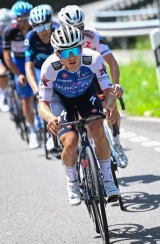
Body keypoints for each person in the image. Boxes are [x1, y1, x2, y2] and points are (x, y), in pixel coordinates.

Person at [38, 25, 121, 206]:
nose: (72, 57)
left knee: (98, 127)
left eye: (75, 50)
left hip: (85, 93)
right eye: (65, 53)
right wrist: (51, 118)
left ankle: (108, 181)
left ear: (82, 47)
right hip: (60, 98)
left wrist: (109, 107)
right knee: (70, 140)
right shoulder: (49, 67)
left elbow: (108, 91)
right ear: (57, 54)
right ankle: (72, 182)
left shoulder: (94, 59)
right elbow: (42, 104)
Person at [58, 5, 128, 168]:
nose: (78, 31)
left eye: (80, 27)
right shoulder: (59, 39)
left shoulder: (91, 35)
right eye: (73, 28)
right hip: (71, 79)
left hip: (93, 76)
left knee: (111, 102)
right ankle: (88, 153)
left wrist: (114, 85)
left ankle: (116, 143)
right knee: (82, 118)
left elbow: (111, 62)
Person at [3, 1, 40, 149]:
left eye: (27, 18)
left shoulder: (35, 28)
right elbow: (7, 57)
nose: (24, 22)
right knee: (26, 100)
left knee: (41, 92)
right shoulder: (10, 32)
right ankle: (33, 131)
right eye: (21, 19)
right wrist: (18, 74)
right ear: (15, 20)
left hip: (34, 61)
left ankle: (41, 119)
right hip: (18, 62)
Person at [25, 5, 55, 134]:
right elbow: (28, 68)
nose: (44, 31)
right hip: (39, 69)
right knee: (42, 96)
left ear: (51, 23)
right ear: (33, 28)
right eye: (38, 27)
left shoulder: (58, 32)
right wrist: (36, 90)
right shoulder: (30, 37)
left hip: (57, 68)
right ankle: (47, 131)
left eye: (46, 26)